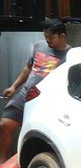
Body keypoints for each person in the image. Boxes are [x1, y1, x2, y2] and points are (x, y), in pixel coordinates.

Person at [0, 19, 71, 158]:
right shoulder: (39, 46)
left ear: (62, 36)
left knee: (36, 136)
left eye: (51, 37)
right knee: (4, 125)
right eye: (45, 36)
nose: (47, 40)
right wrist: (14, 87)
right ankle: (2, 161)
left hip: (46, 102)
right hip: (25, 94)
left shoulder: (70, 55)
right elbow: (28, 68)